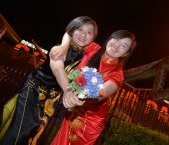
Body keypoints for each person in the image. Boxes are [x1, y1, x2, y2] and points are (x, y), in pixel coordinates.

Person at [0, 16, 99, 145]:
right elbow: (58, 69)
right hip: (33, 90)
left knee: (32, 134)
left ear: (93, 38)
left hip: (51, 102)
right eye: (80, 29)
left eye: (89, 32)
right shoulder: (60, 49)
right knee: (20, 131)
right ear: (72, 30)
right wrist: (68, 90)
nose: (83, 35)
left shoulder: (84, 57)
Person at [50, 29, 136, 145]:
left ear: (125, 53)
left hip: (90, 120)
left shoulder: (117, 74)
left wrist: (74, 95)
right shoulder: (93, 48)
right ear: (110, 38)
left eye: (123, 45)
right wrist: (63, 46)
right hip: (72, 106)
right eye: (116, 39)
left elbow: (101, 94)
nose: (117, 45)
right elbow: (70, 33)